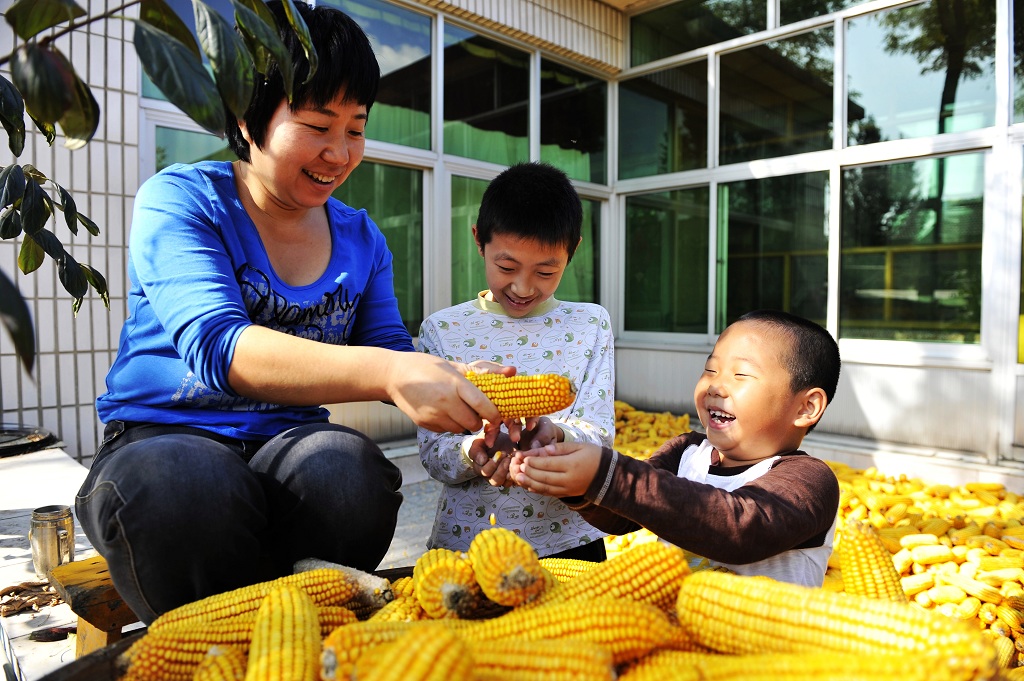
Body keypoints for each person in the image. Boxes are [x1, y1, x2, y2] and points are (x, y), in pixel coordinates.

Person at [75, 1, 507, 624]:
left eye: (355, 129)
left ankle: (303, 627)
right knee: (186, 490)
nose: (339, 153)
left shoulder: (362, 239)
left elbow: (389, 348)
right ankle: (214, 635)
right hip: (163, 439)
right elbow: (218, 346)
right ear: (248, 120)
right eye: (317, 125)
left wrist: (459, 383)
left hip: (287, 443)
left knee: (348, 474)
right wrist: (388, 374)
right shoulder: (182, 200)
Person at [511, 309, 842, 586]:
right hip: (673, 648)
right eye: (710, 369)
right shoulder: (687, 451)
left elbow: (740, 529)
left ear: (806, 408)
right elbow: (624, 514)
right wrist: (573, 480)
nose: (715, 385)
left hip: (758, 659)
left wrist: (607, 474)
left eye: (741, 374)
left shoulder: (809, 479)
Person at [418, 161, 615, 562]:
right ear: (479, 241)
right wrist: (475, 449)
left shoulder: (590, 324)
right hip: (468, 541)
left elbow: (600, 434)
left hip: (569, 542)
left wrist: (555, 435)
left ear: (573, 250)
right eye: (506, 267)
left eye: (546, 271)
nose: (523, 287)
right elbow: (433, 453)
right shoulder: (443, 329)